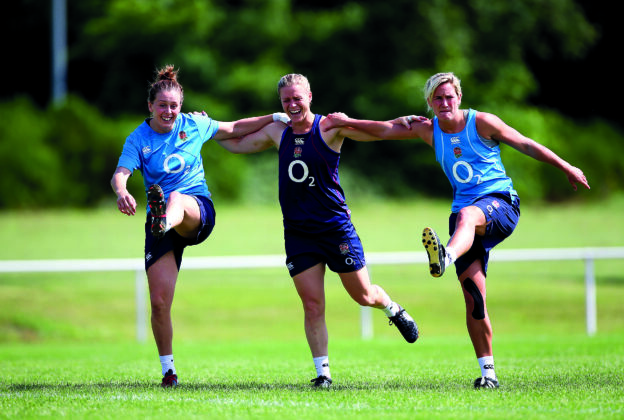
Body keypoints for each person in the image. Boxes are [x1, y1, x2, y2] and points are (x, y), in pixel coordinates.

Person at [323, 72, 590, 388]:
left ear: (459, 97)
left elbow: (526, 144)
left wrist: (567, 167)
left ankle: (445, 256)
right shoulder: (428, 130)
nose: (445, 102)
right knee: (474, 299)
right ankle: (488, 375)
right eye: (438, 98)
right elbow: (383, 130)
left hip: (500, 203)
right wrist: (344, 121)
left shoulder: (482, 123)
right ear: (430, 104)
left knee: (467, 214)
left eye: (449, 96)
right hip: (463, 224)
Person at [215, 73, 419, 388]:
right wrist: (203, 129)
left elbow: (378, 132)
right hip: (298, 233)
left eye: (297, 98)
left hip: (335, 229)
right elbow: (237, 143)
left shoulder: (330, 128)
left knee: (364, 295)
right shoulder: (276, 131)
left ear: (310, 95)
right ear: (280, 103)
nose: (293, 104)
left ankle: (392, 308)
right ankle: (323, 374)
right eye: (286, 100)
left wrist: (403, 121)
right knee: (312, 305)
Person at [110, 64, 290, 388]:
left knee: (175, 197)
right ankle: (168, 371)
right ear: (150, 106)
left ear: (181, 107)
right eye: (162, 105)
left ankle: (162, 220)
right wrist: (122, 191)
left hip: (195, 211)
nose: (168, 111)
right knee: (160, 303)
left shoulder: (194, 124)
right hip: (161, 222)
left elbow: (235, 127)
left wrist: (273, 117)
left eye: (173, 106)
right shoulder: (138, 138)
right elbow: (121, 173)